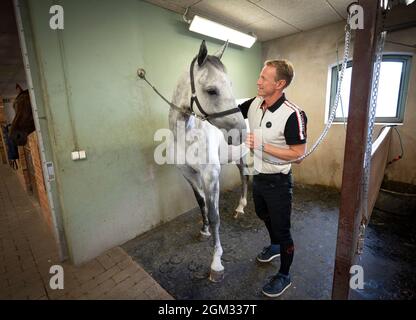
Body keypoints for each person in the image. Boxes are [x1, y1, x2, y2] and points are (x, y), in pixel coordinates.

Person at [238, 59, 307, 298]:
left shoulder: (293, 115)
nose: (258, 81)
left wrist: (263, 145)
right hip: (259, 176)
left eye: (264, 78)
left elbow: (298, 155)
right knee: (261, 214)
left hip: (279, 182)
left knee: (283, 230)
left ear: (279, 83)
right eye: (260, 76)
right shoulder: (256, 103)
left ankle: (284, 275)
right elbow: (232, 110)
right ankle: (275, 245)